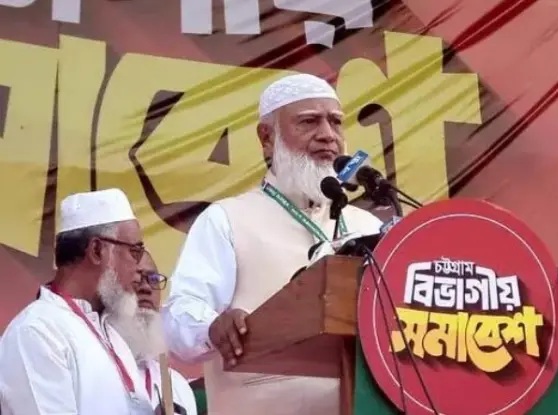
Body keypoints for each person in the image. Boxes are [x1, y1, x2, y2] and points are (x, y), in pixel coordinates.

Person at [162, 73, 384, 414]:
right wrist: (212, 326)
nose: (328, 134)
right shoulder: (227, 219)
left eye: (336, 122)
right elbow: (179, 317)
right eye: (309, 121)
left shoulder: (368, 227)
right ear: (267, 138)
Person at [0, 188, 153, 414]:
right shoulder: (37, 332)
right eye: (135, 251)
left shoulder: (114, 337)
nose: (139, 267)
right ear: (97, 250)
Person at [109, 252, 198, 415]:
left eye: (154, 279)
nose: (146, 287)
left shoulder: (177, 386)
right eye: (136, 277)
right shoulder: (97, 368)